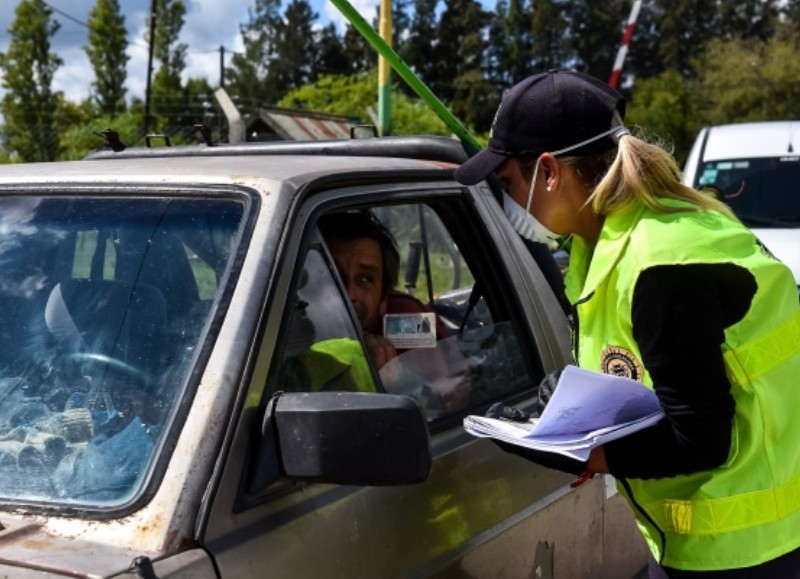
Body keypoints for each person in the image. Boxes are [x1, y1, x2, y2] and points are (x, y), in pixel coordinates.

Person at [454, 69, 800, 577]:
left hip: (742, 551)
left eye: (507, 183)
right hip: (735, 535)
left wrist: (578, 453)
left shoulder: (660, 268)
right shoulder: (639, 234)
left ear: (549, 171)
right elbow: (662, 367)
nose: (506, 202)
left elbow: (700, 439)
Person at [317, 211, 468, 416]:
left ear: (383, 300)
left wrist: (394, 384)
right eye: (331, 276)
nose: (349, 294)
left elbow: (447, 403)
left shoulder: (406, 319)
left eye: (365, 279)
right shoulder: (278, 328)